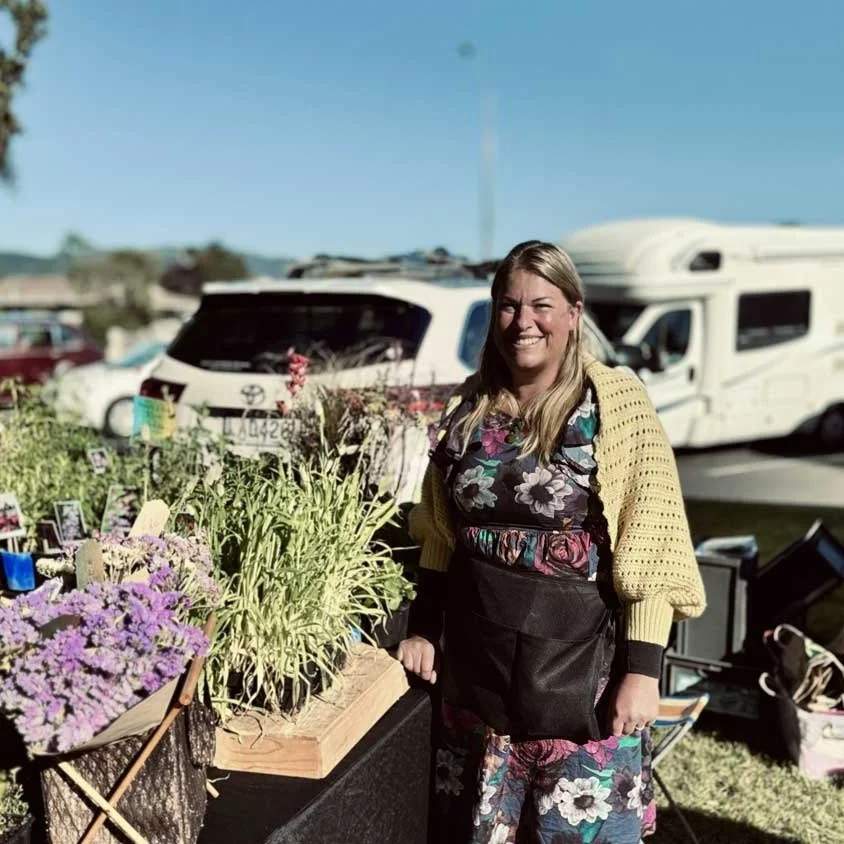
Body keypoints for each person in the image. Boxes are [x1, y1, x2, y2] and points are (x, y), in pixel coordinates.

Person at [397, 240, 706, 844]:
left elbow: (653, 543)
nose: (523, 322)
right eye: (508, 306)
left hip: (579, 679)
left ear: (573, 312)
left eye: (542, 305)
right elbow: (439, 532)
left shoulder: (614, 404)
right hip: (480, 676)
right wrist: (423, 627)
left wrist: (642, 672)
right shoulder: (468, 407)